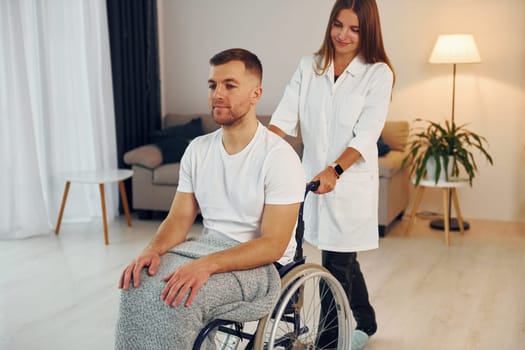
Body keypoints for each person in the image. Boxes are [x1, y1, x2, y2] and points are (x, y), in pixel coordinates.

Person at [115, 48, 305, 349]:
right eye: (212, 85)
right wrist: (151, 250)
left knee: (182, 299)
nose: (218, 94)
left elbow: (273, 244)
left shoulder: (279, 157)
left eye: (230, 85)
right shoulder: (198, 150)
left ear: (256, 94)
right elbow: (179, 218)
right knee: (134, 288)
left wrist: (207, 265)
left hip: (260, 265)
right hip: (208, 248)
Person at [269, 0, 394, 349]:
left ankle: (329, 342)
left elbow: (367, 134)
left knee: (334, 264)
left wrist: (336, 169)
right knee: (341, 258)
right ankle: (366, 323)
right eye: (338, 25)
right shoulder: (309, 66)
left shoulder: (377, 73)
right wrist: (261, 152)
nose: (343, 35)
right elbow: (283, 117)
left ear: (367, 31)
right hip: (312, 180)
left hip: (348, 181)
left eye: (354, 29)